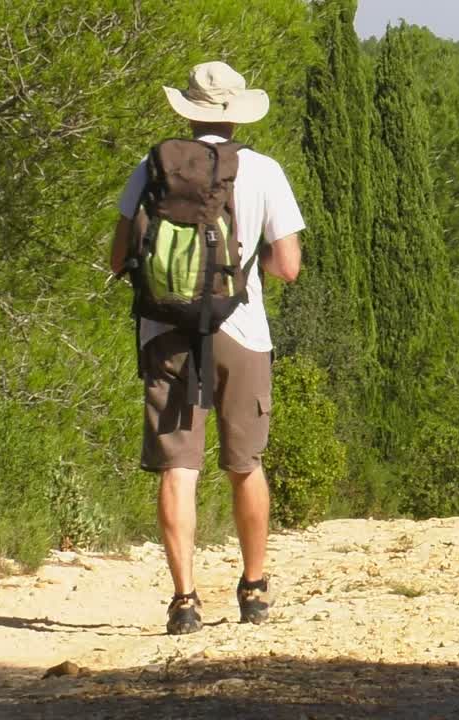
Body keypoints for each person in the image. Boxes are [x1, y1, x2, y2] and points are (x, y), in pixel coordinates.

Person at [110, 61, 304, 635]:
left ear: (188, 114)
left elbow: (119, 258)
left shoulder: (149, 169)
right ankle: (254, 589)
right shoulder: (265, 171)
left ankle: (185, 601)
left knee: (179, 465)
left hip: (164, 329)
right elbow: (289, 266)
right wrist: (249, 269)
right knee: (245, 463)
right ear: (237, 115)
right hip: (242, 331)